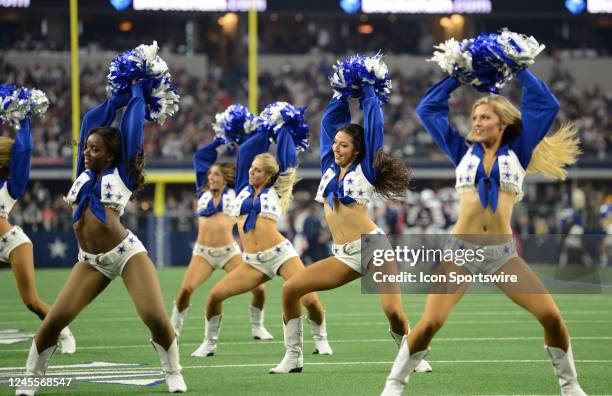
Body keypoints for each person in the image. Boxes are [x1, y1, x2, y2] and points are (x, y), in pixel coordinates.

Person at [381, 69, 585, 396]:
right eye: (474, 117)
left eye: (485, 117)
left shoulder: (518, 151)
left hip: (503, 256)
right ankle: (393, 386)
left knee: (552, 318)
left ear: (502, 122)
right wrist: (456, 76)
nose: (476, 122)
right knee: (431, 323)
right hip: (461, 252)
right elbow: (427, 109)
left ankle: (570, 386)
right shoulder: (461, 152)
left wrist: (520, 69)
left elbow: (546, 104)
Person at [16, 83, 186, 395]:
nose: (86, 152)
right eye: (85, 148)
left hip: (125, 253)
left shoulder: (122, 173)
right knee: (54, 321)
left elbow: (132, 127)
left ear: (110, 156)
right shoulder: (84, 170)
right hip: (90, 261)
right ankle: (30, 378)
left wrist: (138, 90)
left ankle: (173, 370)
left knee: (154, 316)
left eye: (94, 149)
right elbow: (91, 120)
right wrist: (116, 98)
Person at [275, 83, 431, 373]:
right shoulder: (328, 166)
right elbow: (327, 125)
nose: (336, 147)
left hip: (373, 248)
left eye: (343, 144)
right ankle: (294, 357)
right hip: (343, 255)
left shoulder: (367, 168)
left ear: (357, 149)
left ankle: (411, 353)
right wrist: (341, 95)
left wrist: (369, 93)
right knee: (291, 289)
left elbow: (374, 126)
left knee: (393, 311)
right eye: (335, 143)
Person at [192, 121, 333, 369]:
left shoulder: (277, 190)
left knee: (310, 301)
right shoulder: (241, 191)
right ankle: (209, 343)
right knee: (215, 295)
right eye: (251, 169)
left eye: (257, 170)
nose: (250, 172)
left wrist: (283, 129)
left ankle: (320, 338)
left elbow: (287, 159)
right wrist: (265, 130)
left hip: (281, 255)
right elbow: (246, 151)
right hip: (253, 261)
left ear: (268, 175)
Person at [171, 136, 273, 341]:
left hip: (229, 252)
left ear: (225, 178)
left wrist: (243, 141)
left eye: (216, 174)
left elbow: (248, 164)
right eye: (209, 174)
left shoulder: (236, 194)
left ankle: (257, 326)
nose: (211, 177)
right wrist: (218, 142)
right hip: (203, 253)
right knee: (186, 289)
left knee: (259, 289)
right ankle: (174, 327)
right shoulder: (202, 192)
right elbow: (200, 157)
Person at [1, 118, 75, 354]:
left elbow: (23, 150)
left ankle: (64, 332)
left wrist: (24, 119)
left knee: (31, 301)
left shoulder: (11, 185)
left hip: (10, 243)